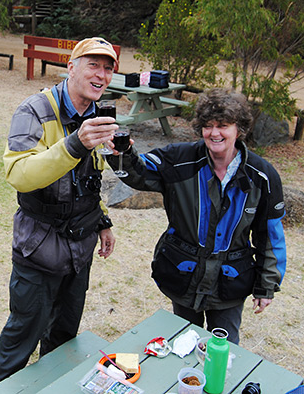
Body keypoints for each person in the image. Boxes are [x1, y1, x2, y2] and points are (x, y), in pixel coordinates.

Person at [0, 37, 119, 389]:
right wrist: (75, 143)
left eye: (108, 68)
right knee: (20, 339)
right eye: (93, 65)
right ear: (70, 67)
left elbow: (92, 177)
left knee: (63, 337)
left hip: (80, 248)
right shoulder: (34, 111)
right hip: (39, 248)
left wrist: (103, 220)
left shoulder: (96, 113)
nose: (101, 75)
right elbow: (19, 175)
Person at [108, 88, 287, 344]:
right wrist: (122, 154)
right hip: (184, 274)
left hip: (231, 282)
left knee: (221, 351)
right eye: (208, 125)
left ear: (239, 129)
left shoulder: (263, 176)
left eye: (223, 125)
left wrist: (266, 286)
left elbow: (270, 237)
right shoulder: (179, 160)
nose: (214, 133)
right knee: (182, 345)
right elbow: (140, 173)